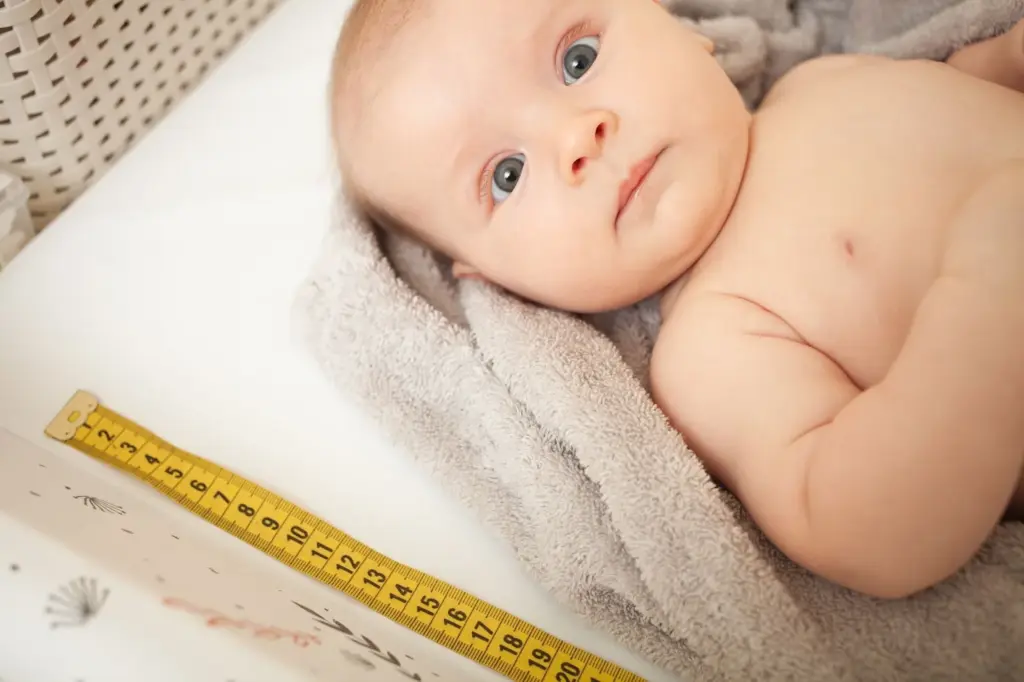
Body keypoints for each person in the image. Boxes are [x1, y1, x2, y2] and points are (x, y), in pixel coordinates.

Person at [328, 0, 1024, 600]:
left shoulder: (823, 80)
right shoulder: (714, 345)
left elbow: (973, 87)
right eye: (506, 175)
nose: (577, 134)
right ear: (494, 279)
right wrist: (990, 287)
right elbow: (866, 526)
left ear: (680, 28)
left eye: (577, 59)